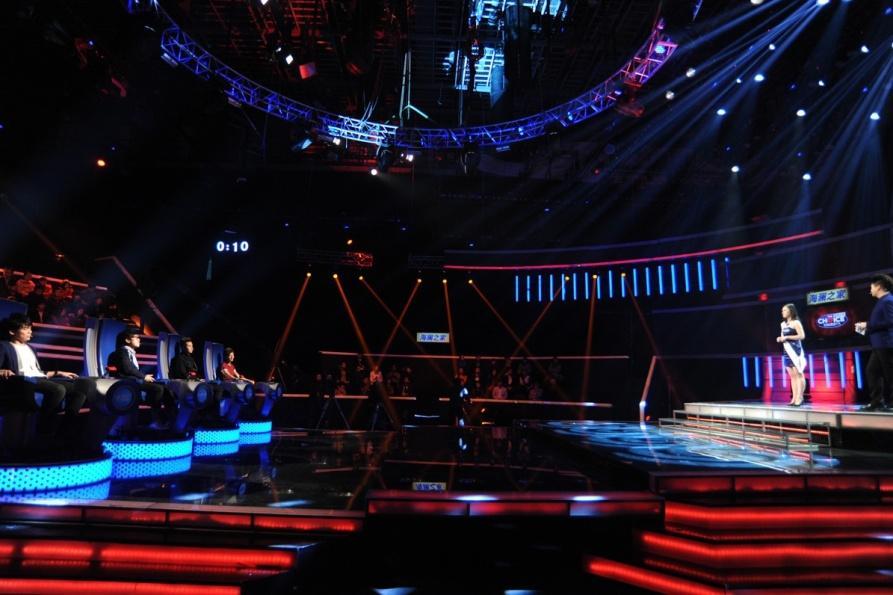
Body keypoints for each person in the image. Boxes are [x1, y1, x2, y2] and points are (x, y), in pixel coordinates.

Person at [0, 313, 86, 429]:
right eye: (25, 329)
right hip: (23, 381)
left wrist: (59, 372)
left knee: (79, 390)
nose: (30, 331)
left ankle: (65, 428)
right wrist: (2, 371)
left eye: (30, 328)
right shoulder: (4, 346)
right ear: (12, 331)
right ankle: (43, 425)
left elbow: (38, 372)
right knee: (58, 389)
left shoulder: (31, 348)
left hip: (39, 379)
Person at [108, 327, 171, 428]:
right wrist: (143, 376)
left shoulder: (129, 352)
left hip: (134, 380)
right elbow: (128, 369)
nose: (139, 339)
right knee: (158, 389)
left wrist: (143, 376)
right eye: (136, 337)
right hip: (127, 382)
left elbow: (132, 369)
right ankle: (157, 419)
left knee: (165, 388)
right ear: (127, 340)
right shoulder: (122, 351)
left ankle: (171, 418)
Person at [855, 274, 893, 411]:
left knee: (890, 373)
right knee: (872, 371)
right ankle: (877, 402)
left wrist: (868, 325)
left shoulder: (888, 300)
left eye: (871, 286)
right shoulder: (882, 301)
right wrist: (866, 326)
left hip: (887, 343)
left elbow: (891, 321)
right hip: (879, 344)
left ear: (879, 286)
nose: (870, 289)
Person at [776, 303, 806, 406]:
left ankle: (800, 397)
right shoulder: (783, 324)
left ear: (790, 311)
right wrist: (780, 339)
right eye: (782, 310)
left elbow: (802, 336)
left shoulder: (796, 322)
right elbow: (783, 337)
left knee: (799, 375)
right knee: (792, 376)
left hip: (796, 351)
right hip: (786, 352)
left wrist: (787, 337)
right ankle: (794, 398)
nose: (783, 312)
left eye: (785, 310)